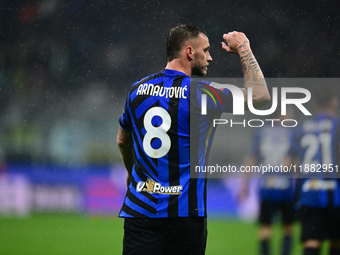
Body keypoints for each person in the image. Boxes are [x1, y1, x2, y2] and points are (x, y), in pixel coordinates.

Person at [116, 24, 270, 255]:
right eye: (206, 50)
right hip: (185, 214)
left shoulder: (137, 90)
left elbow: (122, 140)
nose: (210, 58)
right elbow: (260, 96)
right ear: (190, 52)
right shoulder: (203, 94)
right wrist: (244, 48)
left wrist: (130, 170)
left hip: (141, 210)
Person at [285, 87, 340, 255]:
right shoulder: (337, 125)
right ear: (334, 102)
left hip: (310, 194)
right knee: (336, 242)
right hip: (335, 194)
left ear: (315, 104)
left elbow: (287, 164)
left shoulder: (302, 129)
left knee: (311, 242)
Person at [240, 109, 296, 255]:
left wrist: (244, 185)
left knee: (265, 228)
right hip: (286, 187)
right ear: (281, 115)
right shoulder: (291, 133)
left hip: (267, 186)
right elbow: (293, 161)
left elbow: (251, 160)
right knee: (288, 228)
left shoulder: (261, 133)